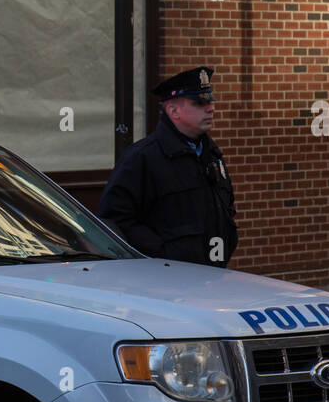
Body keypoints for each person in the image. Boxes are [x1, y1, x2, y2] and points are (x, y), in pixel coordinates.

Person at [97, 66, 237, 267]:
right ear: (173, 110)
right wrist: (164, 254)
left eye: (210, 102)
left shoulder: (211, 155)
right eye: (199, 103)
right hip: (166, 281)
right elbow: (114, 220)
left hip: (212, 275)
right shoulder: (142, 158)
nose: (210, 108)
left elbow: (225, 207)